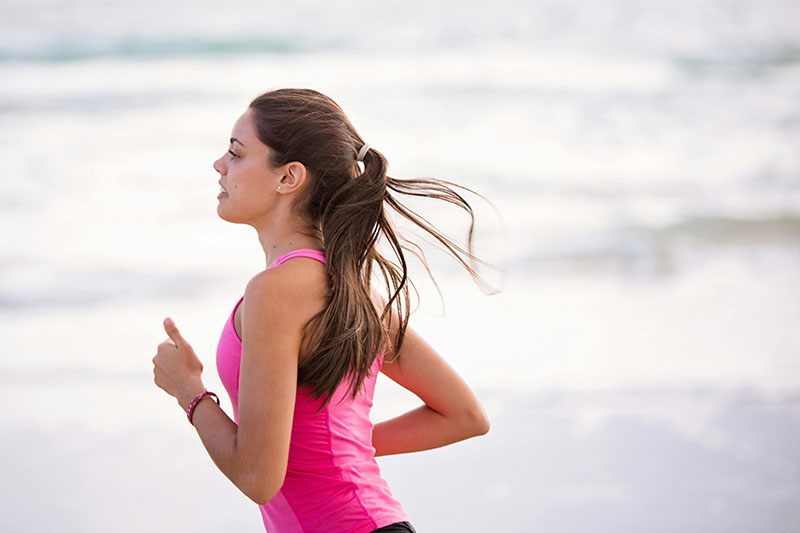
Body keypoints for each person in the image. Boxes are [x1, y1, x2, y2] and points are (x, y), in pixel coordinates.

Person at [152, 88, 492, 532]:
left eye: (236, 154)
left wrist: (189, 391)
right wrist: (338, 451)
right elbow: (463, 415)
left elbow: (258, 478)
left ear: (288, 177)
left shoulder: (275, 291)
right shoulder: (348, 286)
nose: (219, 165)